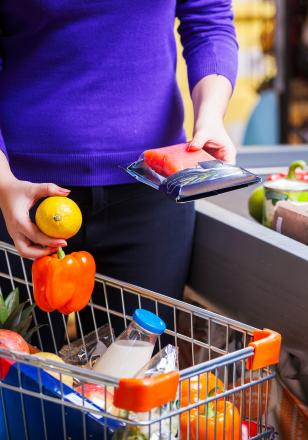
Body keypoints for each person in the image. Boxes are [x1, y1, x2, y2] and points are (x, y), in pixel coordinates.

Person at [0, 1, 238, 324]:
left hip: (151, 188)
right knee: (21, 370)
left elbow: (208, 20)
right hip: (17, 190)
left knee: (139, 366)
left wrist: (210, 117)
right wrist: (3, 182)